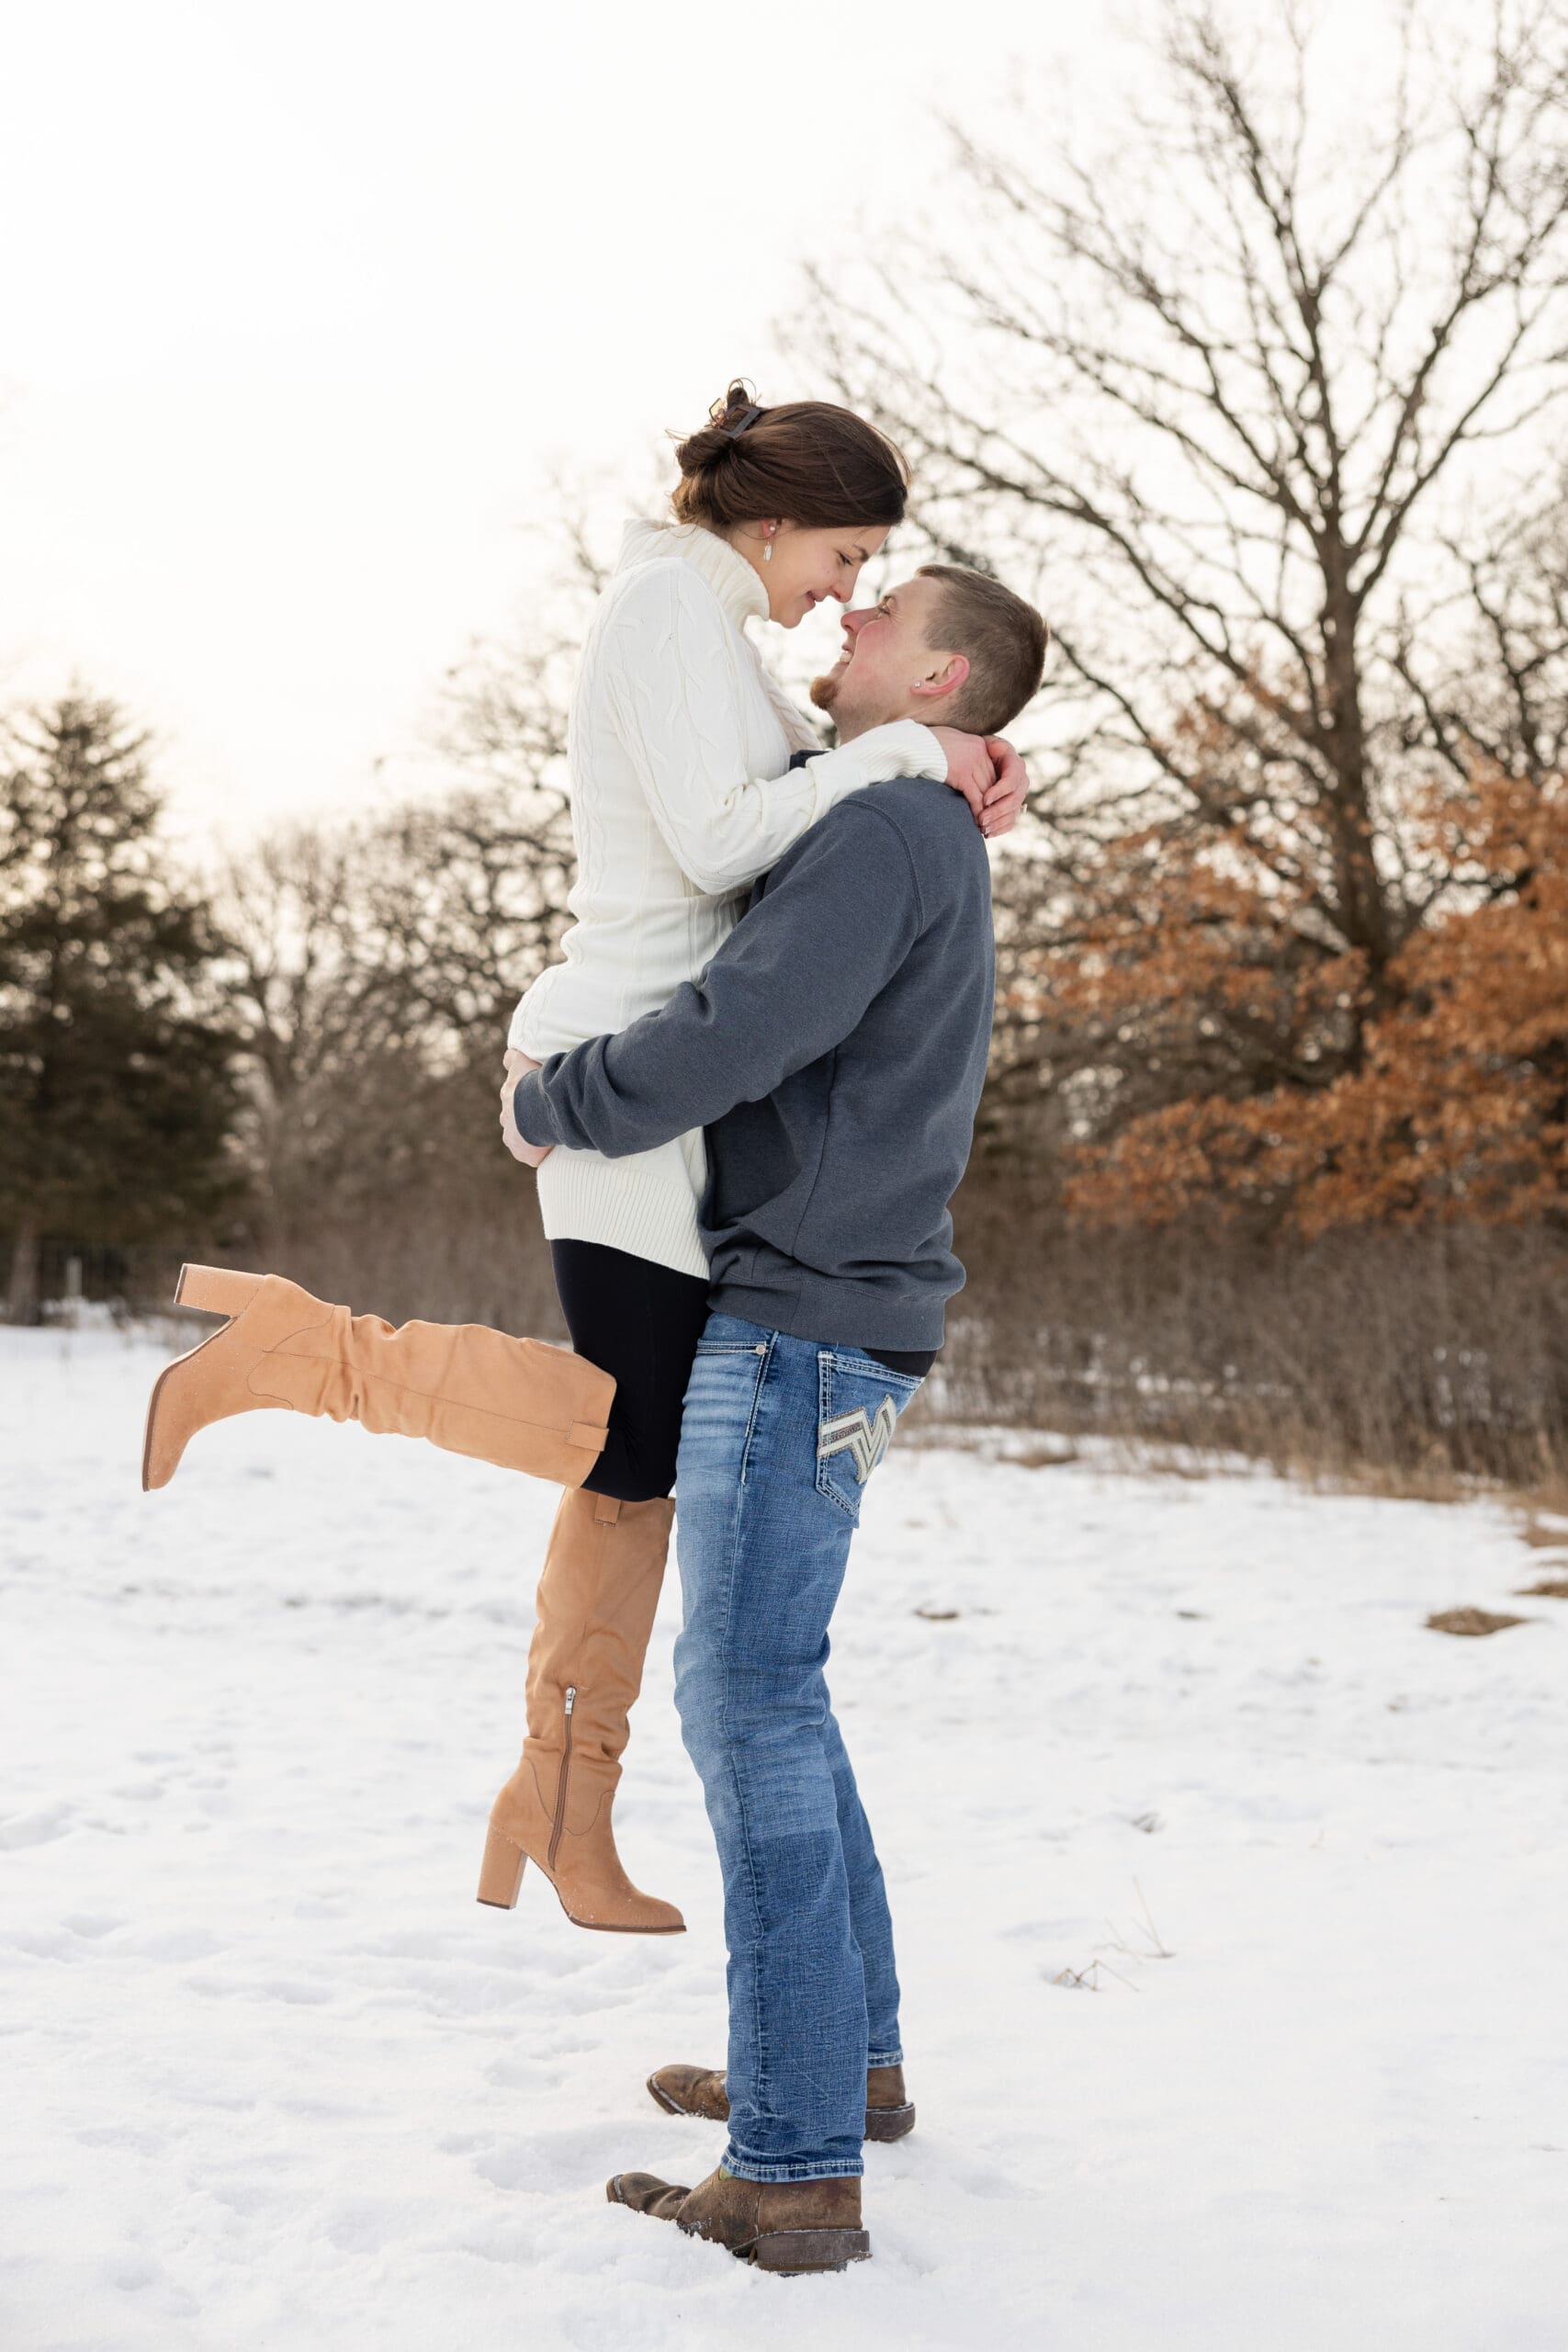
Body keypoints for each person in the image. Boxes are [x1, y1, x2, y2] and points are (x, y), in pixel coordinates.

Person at [140, 385, 1030, 1943]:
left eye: (871, 575)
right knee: (628, 1433)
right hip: (620, 1064)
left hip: (659, 1077)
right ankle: (311, 1353)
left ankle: (563, 1809)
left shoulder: (713, 632)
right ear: (772, 522)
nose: (847, 590)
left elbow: (800, 834)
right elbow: (717, 845)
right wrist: (913, 766)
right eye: (845, 553)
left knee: (631, 1469)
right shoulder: (665, 618)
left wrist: (937, 760)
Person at [502, 560, 1049, 2272]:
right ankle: (848, 2067)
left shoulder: (886, 837)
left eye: (880, 619)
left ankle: (799, 2161)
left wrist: (559, 1102)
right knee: (779, 1697)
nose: (842, 626)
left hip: (800, 1324)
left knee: (745, 1706)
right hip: (841, 1322)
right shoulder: (906, 821)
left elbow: (746, 1027)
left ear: (944, 673)